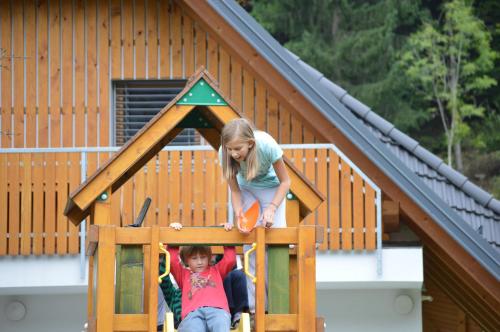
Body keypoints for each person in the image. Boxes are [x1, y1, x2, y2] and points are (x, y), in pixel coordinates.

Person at [219, 118, 291, 313]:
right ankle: (256, 309)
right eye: (230, 149)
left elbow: (286, 182)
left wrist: (272, 208)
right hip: (245, 189)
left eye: (238, 149)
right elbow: (234, 191)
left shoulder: (267, 145)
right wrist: (238, 211)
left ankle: (277, 307)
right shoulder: (224, 153)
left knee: (274, 240)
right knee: (250, 244)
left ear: (250, 143)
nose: (234, 154)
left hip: (272, 189)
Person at [168, 222, 235, 332]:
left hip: (217, 310)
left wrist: (226, 233)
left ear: (208, 258)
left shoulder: (216, 271)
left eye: (203, 257)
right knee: (193, 327)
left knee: (221, 323)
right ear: (186, 260)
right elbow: (171, 261)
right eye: (194, 258)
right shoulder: (183, 274)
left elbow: (230, 259)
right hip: (192, 313)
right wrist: (174, 234)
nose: (199, 262)